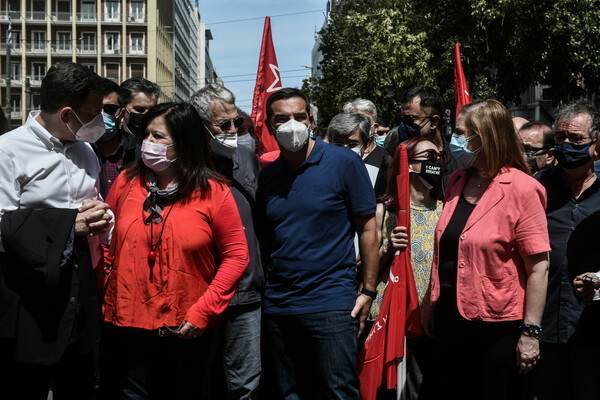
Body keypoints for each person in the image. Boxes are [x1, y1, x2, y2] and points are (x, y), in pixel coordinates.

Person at [98, 102, 249, 399]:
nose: (148, 144)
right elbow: (105, 242)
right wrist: (108, 291)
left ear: (185, 143)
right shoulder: (127, 183)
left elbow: (236, 256)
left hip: (185, 326)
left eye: (159, 137)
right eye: (147, 136)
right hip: (127, 324)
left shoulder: (214, 191)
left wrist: (203, 311)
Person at [421, 99, 550, 399]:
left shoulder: (523, 189)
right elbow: (447, 249)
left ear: (488, 137)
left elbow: (539, 268)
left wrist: (531, 333)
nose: (456, 139)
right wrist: (430, 302)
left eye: (463, 133)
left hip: (497, 327)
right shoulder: (456, 179)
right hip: (450, 321)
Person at [257, 88, 379, 399]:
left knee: (337, 391)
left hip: (332, 302)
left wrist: (367, 290)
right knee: (289, 393)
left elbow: (367, 229)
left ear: (312, 121)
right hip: (280, 305)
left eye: (299, 117)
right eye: (282, 119)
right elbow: (268, 235)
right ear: (270, 126)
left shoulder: (344, 163)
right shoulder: (268, 176)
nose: (292, 124)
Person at [0, 62, 113, 399]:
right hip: (28, 294)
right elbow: (2, 223)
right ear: (67, 114)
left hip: (80, 292)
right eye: (94, 113)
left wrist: (102, 215)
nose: (99, 122)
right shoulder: (8, 151)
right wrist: (67, 226)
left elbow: (93, 203)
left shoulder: (86, 151)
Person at [191, 84, 264, 400]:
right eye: (224, 125)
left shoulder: (246, 158)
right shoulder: (181, 169)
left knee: (245, 387)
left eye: (237, 122)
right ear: (199, 128)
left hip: (246, 296)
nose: (234, 130)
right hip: (198, 297)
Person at [529, 100, 600, 400]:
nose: (566, 144)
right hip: (543, 334)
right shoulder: (535, 188)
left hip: (593, 334)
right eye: (560, 138)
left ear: (595, 145)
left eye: (576, 139)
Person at [366, 136, 445, 398]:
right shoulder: (384, 211)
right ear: (408, 165)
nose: (438, 164)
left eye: (440, 158)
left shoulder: (446, 211)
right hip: (391, 313)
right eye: (429, 159)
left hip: (430, 318)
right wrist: (388, 249)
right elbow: (365, 268)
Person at [94, 78, 160, 198]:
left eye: (152, 111)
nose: (146, 116)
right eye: (139, 110)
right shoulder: (81, 149)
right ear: (124, 112)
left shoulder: (152, 154)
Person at [384, 86, 458, 189]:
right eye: (402, 118)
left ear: (434, 122)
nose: (404, 125)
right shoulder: (394, 151)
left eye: (411, 118)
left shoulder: (456, 159)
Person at [328, 111, 392, 198]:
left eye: (352, 144)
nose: (345, 150)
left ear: (367, 144)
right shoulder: (319, 174)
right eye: (339, 144)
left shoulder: (375, 171)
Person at [342, 99, 391, 197]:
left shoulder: (386, 160)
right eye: (354, 120)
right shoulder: (338, 155)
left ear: (375, 127)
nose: (360, 126)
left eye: (365, 121)